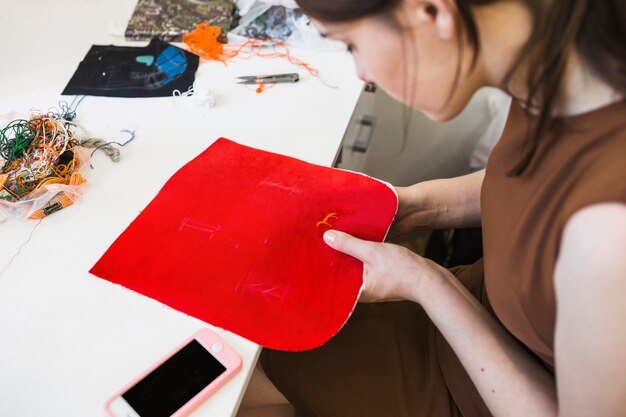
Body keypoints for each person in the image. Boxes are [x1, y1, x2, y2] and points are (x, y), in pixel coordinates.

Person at [237, 0, 626, 416]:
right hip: (472, 315)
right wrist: (411, 207)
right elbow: (533, 183)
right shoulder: (563, 67)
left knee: (237, 380)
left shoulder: (609, 234)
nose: (362, 73)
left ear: (432, 11)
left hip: (484, 393)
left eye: (351, 44)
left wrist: (427, 284)